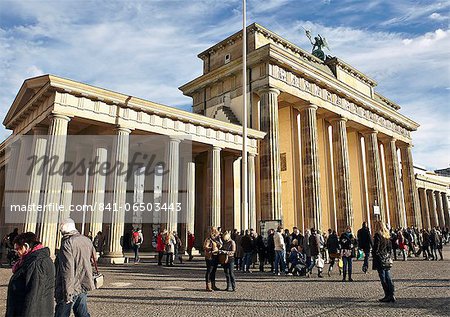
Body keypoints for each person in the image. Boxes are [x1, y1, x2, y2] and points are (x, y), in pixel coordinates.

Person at [6, 232, 55, 317]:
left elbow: (33, 296)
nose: (17, 252)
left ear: (26, 246)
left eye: (18, 249)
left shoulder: (37, 263)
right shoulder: (32, 260)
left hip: (32, 312)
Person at [55, 218, 95, 317]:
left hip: (70, 286)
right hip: (82, 282)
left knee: (62, 313)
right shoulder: (86, 240)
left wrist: (68, 293)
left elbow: (67, 270)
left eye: (61, 227)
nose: (60, 230)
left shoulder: (67, 243)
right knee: (82, 312)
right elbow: (94, 257)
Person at [372, 221, 396, 303]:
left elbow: (376, 249)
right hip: (387, 259)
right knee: (388, 277)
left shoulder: (377, 236)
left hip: (380, 259)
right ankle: (392, 294)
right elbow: (390, 248)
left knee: (383, 278)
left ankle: (387, 295)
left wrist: (376, 255)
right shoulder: (387, 236)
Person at [203, 227, 222, 291]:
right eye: (216, 234)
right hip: (210, 256)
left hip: (215, 256)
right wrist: (211, 249)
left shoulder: (216, 240)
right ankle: (208, 286)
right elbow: (205, 247)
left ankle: (213, 285)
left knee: (214, 271)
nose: (217, 235)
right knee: (209, 271)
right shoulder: (208, 239)